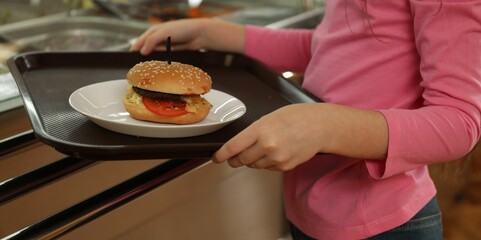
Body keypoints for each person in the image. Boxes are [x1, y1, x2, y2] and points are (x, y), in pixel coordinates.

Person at [130, 1, 481, 239]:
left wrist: (325, 126)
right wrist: (218, 34)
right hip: (310, 211)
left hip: (384, 226)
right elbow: (332, 47)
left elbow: (459, 121)